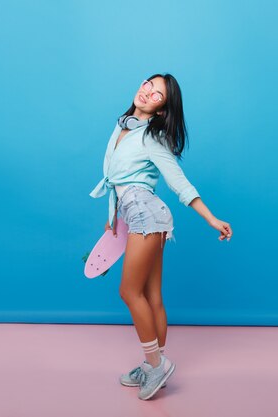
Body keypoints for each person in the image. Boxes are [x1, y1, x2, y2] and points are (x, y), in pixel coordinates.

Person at [89, 73, 233, 400]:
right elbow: (116, 180)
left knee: (130, 292)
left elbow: (177, 181)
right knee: (152, 297)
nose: (147, 92)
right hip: (136, 213)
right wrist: (112, 220)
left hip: (146, 213)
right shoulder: (123, 126)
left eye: (157, 94)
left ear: (162, 110)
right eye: (147, 85)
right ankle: (154, 363)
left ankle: (156, 365)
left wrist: (211, 218)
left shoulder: (152, 137)